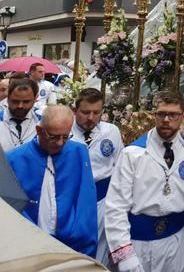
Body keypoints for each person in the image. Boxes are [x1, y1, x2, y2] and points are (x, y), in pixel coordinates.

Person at [104, 92, 184, 272]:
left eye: (173, 115)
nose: (166, 119)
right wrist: (125, 256)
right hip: (137, 243)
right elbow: (116, 206)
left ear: (183, 117)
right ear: (155, 115)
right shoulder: (132, 154)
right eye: (161, 114)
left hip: (176, 243)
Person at [6, 104, 97, 256]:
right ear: (39, 130)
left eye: (65, 137)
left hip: (70, 243)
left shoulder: (78, 153)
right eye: (53, 136)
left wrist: (84, 241)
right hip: (29, 244)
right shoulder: (14, 159)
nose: (60, 143)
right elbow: (12, 208)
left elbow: (85, 201)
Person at [71, 88, 123, 265]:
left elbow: (119, 166)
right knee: (73, 251)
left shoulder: (111, 131)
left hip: (102, 200)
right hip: (73, 200)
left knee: (101, 252)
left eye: (96, 113)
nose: (91, 118)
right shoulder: (64, 132)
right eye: (85, 112)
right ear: (75, 111)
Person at [0, 78, 42, 151]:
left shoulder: (42, 122)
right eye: (15, 101)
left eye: (26, 102)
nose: (20, 106)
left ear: (35, 98)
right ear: (8, 98)